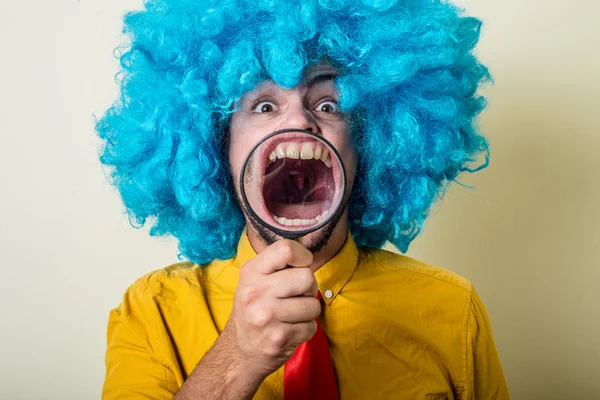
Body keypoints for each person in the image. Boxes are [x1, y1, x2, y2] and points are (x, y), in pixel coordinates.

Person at [97, 0, 509, 398]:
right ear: (218, 145)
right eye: (263, 105)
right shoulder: (153, 312)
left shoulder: (453, 312)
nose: (298, 121)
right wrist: (238, 357)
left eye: (329, 104)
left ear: (370, 141)